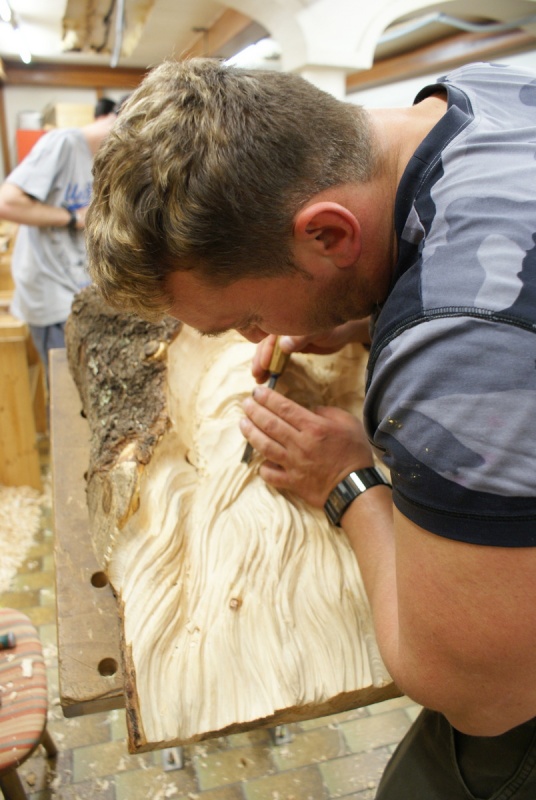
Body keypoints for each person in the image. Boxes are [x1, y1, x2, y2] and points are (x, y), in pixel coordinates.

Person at [85, 58, 536, 799]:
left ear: (327, 234)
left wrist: (347, 482)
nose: (254, 339)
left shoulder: (455, 347)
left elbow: (476, 695)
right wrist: (364, 314)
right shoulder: (475, 91)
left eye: (248, 316)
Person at [0, 105, 117, 383]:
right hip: (51, 294)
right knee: (66, 387)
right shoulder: (63, 143)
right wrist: (73, 218)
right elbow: (7, 202)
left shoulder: (100, 160)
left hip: (76, 290)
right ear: (113, 119)